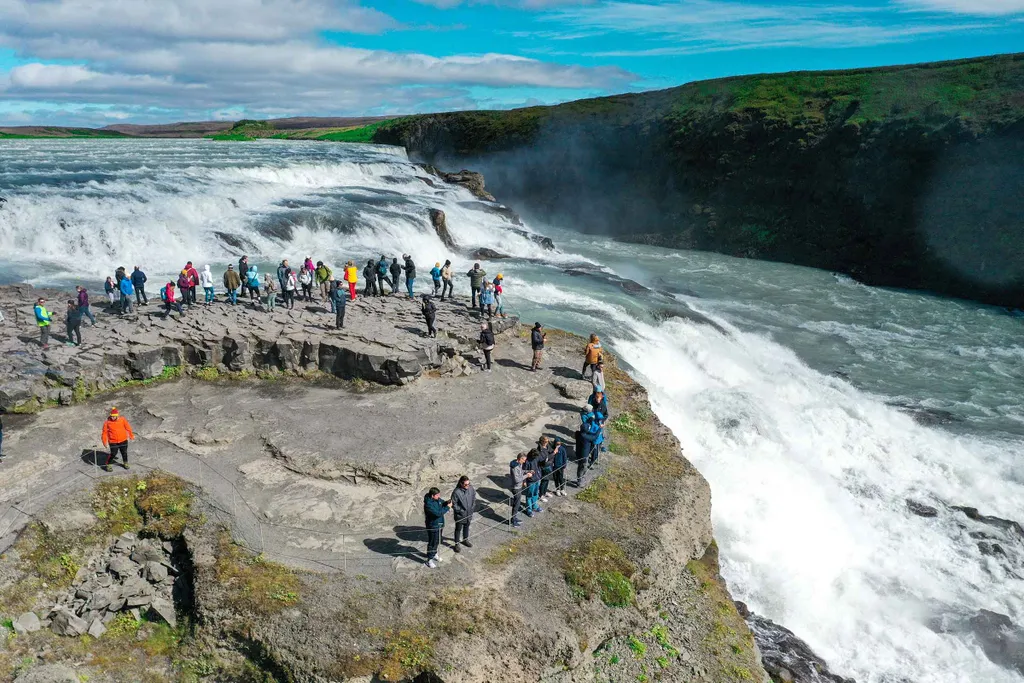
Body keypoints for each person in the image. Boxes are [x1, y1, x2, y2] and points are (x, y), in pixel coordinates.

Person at [423, 487, 450, 568]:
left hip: (439, 524)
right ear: (432, 495)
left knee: (437, 540)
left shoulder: (437, 499)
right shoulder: (428, 504)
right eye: (437, 495)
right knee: (432, 542)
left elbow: (442, 503)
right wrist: (448, 507)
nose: (439, 496)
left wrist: (447, 502)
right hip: (433, 526)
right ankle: (429, 560)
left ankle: (434, 554)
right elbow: (438, 513)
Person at [100, 407, 134, 472]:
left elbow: (128, 427)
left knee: (124, 452)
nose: (112, 417)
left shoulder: (122, 419)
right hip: (113, 441)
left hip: (123, 440)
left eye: (114, 416)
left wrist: (131, 435)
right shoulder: (107, 422)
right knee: (113, 453)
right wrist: (104, 442)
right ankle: (108, 464)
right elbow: (104, 433)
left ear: (117, 416)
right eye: (112, 416)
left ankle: (125, 463)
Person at [450, 476, 476, 553]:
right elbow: (453, 504)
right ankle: (457, 544)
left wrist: (472, 507)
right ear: (461, 483)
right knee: (458, 529)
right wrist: (461, 511)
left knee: (467, 527)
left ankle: (465, 540)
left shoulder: (471, 488)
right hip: (460, 515)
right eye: (466, 484)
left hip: (469, 513)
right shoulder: (456, 492)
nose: (468, 486)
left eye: (468, 484)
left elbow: (474, 497)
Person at [509, 453, 530, 528]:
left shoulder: (518, 464)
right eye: (523, 460)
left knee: (517, 504)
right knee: (516, 504)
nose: (524, 462)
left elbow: (520, 472)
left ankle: (514, 518)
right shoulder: (515, 467)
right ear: (520, 459)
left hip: (519, 487)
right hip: (516, 488)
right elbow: (517, 479)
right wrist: (527, 476)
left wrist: (527, 471)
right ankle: (513, 520)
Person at [523, 449, 542, 516]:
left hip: (537, 479)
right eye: (535, 456)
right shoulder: (527, 461)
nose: (537, 457)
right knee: (529, 495)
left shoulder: (537, 458)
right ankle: (529, 509)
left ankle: (534, 506)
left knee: (535, 493)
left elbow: (539, 465)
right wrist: (524, 481)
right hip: (530, 481)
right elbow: (523, 471)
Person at [537, 436, 554, 502]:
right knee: (544, 480)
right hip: (544, 467)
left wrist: (551, 456)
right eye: (546, 442)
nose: (547, 443)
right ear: (542, 442)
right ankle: (541, 495)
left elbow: (551, 453)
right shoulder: (539, 449)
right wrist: (552, 454)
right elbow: (544, 460)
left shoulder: (547, 446)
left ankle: (545, 492)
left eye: (547, 441)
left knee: (547, 480)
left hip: (549, 465)